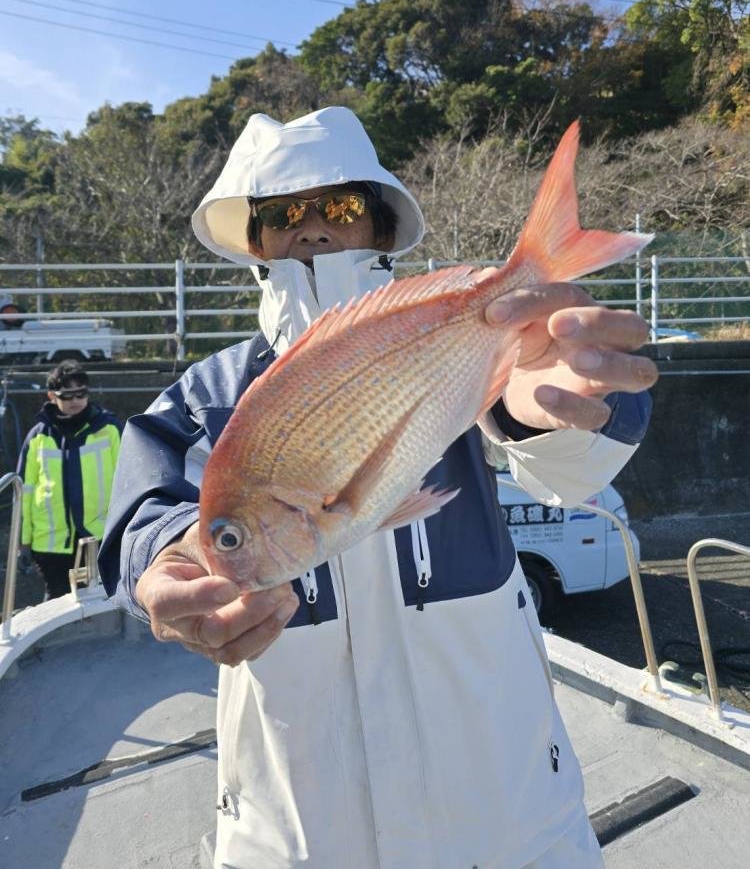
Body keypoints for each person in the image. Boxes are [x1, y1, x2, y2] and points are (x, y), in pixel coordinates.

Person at [100, 107, 657, 868]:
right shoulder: (210, 396)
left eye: (340, 207)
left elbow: (571, 469)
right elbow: (145, 505)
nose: (313, 228)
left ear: (382, 225)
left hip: (512, 819)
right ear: (255, 243)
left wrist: (548, 409)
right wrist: (173, 556)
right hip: (293, 838)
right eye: (283, 214)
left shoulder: (463, 350)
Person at [18, 359, 122, 600]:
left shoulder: (110, 429)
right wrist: (23, 542)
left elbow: (129, 480)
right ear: (51, 396)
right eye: (67, 395)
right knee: (57, 602)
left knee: (101, 601)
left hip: (99, 537)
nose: (75, 400)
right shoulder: (38, 438)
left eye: (81, 393)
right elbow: (25, 492)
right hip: (50, 542)